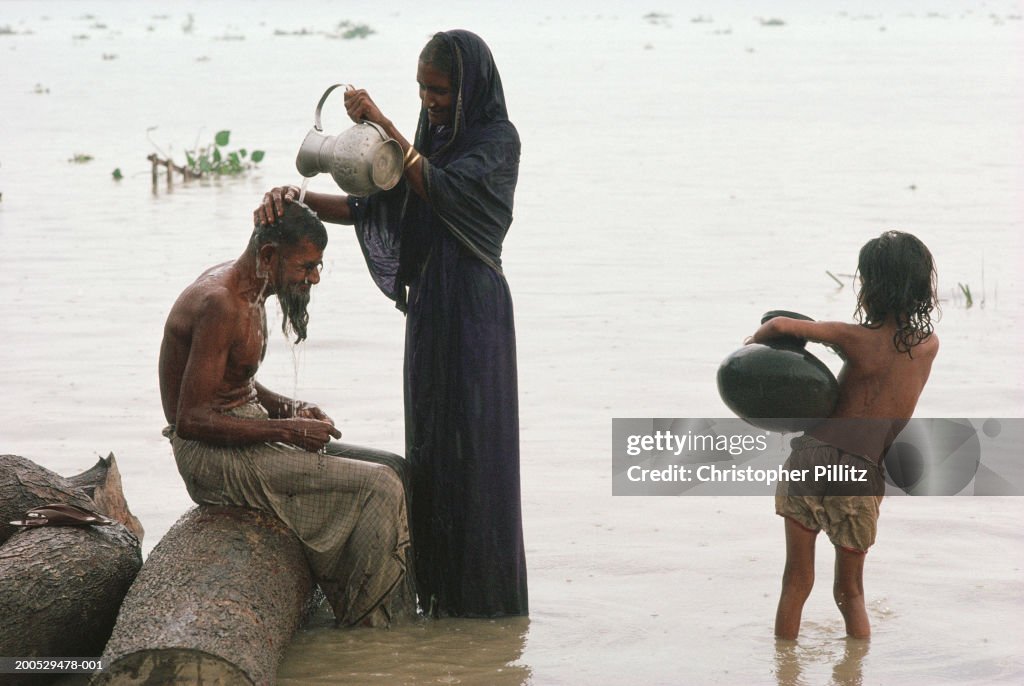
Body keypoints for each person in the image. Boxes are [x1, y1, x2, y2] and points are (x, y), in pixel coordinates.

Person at [255, 29, 527, 618]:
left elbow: (442, 190)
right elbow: (374, 204)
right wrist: (297, 198)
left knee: (476, 457)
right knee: (429, 449)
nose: (430, 101)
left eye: (442, 91)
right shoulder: (427, 138)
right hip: (431, 310)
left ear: (470, 88)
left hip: (476, 315)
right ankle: (438, 599)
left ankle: (489, 613)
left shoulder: (497, 142)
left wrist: (381, 122)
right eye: (423, 90)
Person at [159, 201, 411, 628]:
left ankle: (400, 613)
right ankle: (370, 625)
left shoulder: (251, 287)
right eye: (307, 266)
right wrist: (291, 429)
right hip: (208, 457)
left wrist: (286, 407)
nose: (313, 278)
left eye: (318, 267)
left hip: (245, 431)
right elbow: (192, 420)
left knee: (394, 467)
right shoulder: (220, 302)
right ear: (270, 256)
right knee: (381, 487)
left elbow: (232, 380)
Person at [749, 230, 939, 640]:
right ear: (922, 287)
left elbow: (781, 324)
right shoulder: (928, 346)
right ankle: (854, 672)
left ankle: (787, 672)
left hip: (811, 459)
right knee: (850, 592)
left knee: (796, 581)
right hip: (861, 470)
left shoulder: (853, 338)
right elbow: (887, 374)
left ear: (870, 286)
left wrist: (753, 342)